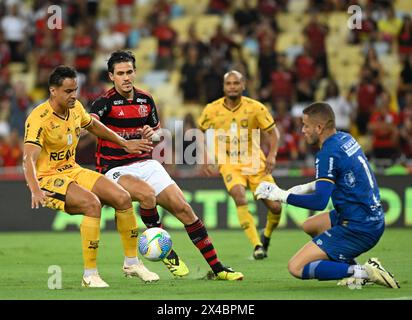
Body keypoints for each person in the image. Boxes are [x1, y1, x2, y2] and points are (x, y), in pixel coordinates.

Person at [90, 50, 243, 281]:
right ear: (111, 76)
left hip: (145, 163)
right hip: (114, 168)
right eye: (120, 73)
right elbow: (91, 125)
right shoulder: (104, 102)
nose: (126, 77)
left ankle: (218, 268)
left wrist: (152, 134)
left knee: (185, 210)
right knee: (147, 195)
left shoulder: (145, 100)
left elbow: (157, 133)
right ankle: (167, 253)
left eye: (129, 72)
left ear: (135, 72)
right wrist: (124, 141)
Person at [23, 66, 159, 288]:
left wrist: (125, 143)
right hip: (48, 178)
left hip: (72, 169)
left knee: (123, 198)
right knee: (92, 204)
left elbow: (94, 125)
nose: (73, 95)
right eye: (68, 91)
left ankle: (132, 263)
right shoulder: (39, 118)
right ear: (53, 91)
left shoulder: (75, 107)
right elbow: (27, 159)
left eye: (75, 90)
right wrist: (35, 189)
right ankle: (90, 275)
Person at [255, 102, 400, 288]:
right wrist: (305, 187)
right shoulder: (345, 139)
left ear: (319, 127)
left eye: (306, 125)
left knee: (296, 267)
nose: (303, 130)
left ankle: (365, 272)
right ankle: (353, 270)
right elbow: (342, 176)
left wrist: (280, 195)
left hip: (358, 227)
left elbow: (319, 202)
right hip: (366, 216)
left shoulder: (327, 154)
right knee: (310, 225)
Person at [197, 70, 282, 259]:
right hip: (228, 163)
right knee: (239, 195)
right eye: (229, 84)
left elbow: (273, 133)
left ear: (243, 86)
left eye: (236, 83)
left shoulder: (256, 108)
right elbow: (200, 131)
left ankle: (266, 235)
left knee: (275, 207)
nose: (232, 87)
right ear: (224, 87)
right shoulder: (212, 109)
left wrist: (272, 155)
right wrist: (204, 157)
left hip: (255, 162)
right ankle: (257, 245)